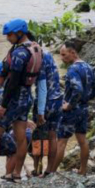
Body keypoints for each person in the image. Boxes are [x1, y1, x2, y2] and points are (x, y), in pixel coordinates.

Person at [0, 19, 46, 188]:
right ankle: (16, 174)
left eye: (10, 35)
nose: (8, 38)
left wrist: (3, 105)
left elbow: (12, 81)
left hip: (14, 98)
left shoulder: (20, 53)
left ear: (20, 33)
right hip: (27, 96)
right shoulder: (36, 48)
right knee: (21, 137)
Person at [50, 41, 95, 176]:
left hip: (71, 111)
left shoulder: (73, 70)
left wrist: (69, 105)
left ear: (73, 52)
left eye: (64, 55)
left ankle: (52, 172)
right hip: (84, 109)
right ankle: (83, 170)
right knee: (82, 140)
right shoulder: (88, 67)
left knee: (62, 141)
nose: (62, 58)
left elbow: (78, 89)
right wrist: (85, 100)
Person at [37, 46, 64, 176]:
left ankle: (37, 169)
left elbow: (42, 87)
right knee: (53, 137)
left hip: (47, 102)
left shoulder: (38, 58)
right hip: (58, 99)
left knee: (40, 137)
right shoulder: (48, 54)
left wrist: (40, 111)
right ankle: (50, 170)